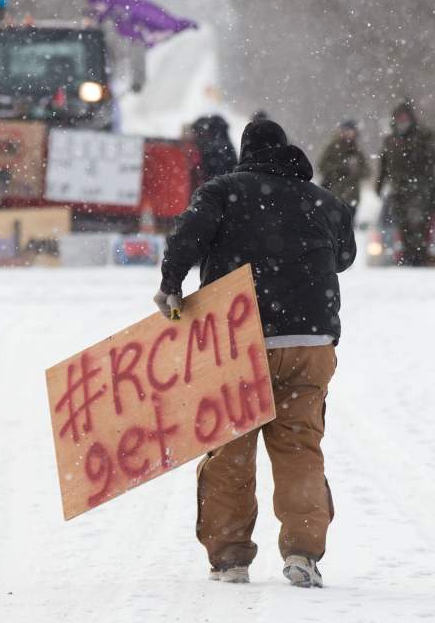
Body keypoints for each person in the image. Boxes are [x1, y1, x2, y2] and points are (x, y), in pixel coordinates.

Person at [153, 119, 356, 589]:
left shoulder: (225, 190)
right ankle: (304, 553)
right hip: (310, 342)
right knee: (300, 447)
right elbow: (343, 256)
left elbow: (188, 235)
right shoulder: (322, 199)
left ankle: (230, 559)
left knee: (230, 450)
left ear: (246, 152)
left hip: (238, 338)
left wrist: (171, 284)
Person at [376, 99, 435, 266]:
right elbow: (384, 166)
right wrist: (379, 186)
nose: (402, 122)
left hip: (421, 190)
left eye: (405, 118)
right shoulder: (390, 141)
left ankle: (419, 257)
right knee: (403, 225)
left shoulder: (424, 136)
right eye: (399, 118)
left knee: (418, 223)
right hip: (399, 191)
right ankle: (408, 256)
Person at [317, 119, 369, 219]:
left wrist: (355, 171)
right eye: (345, 130)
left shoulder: (357, 151)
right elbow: (321, 166)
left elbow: (366, 171)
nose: (348, 133)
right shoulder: (332, 148)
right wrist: (339, 169)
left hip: (351, 197)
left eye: (350, 131)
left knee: (347, 229)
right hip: (333, 195)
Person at [192, 115, 238, 179]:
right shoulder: (227, 144)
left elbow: (212, 171)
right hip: (227, 182)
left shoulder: (214, 147)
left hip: (217, 183)